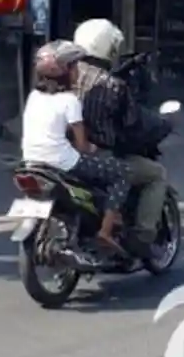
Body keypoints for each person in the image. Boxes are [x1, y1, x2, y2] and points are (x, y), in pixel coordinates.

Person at [70, 18, 169, 257]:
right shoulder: (113, 85)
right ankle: (142, 237)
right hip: (97, 157)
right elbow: (132, 128)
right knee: (156, 174)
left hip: (59, 154)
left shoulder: (65, 78)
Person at [21, 39, 129, 255]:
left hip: (31, 161)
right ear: (65, 71)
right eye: (75, 66)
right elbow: (81, 145)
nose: (79, 71)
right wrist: (92, 149)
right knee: (121, 173)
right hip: (63, 162)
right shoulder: (69, 100)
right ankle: (106, 231)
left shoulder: (33, 97)